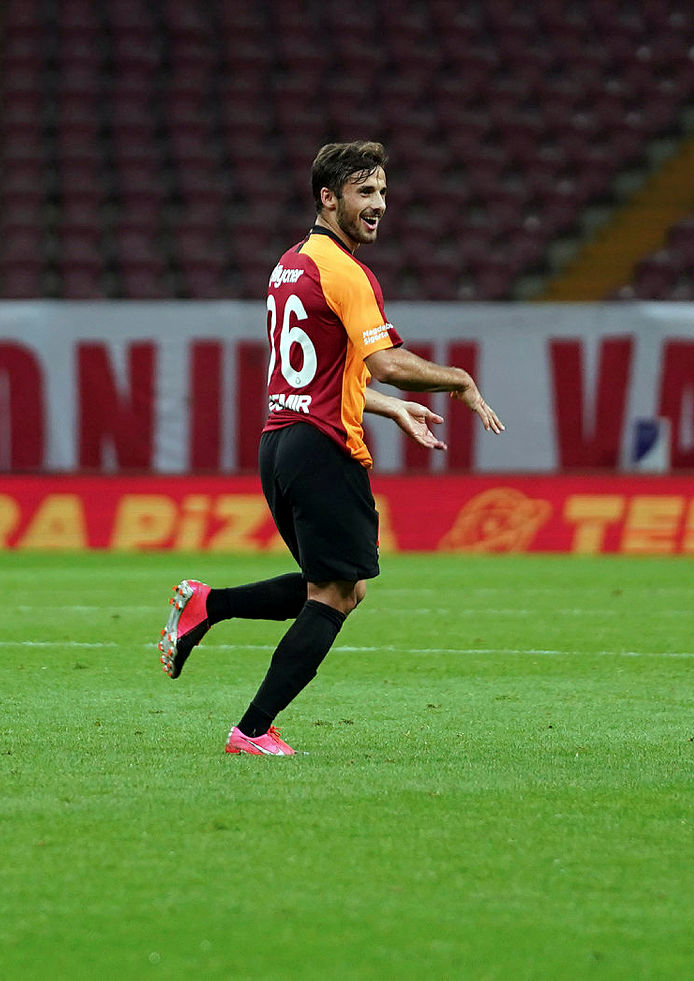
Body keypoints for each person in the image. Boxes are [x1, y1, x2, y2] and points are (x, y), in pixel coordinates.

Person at [157, 140, 505, 756]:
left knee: (339, 586)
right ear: (328, 197)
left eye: (383, 192)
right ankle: (252, 730)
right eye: (364, 192)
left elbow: (317, 375)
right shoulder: (346, 271)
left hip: (280, 444)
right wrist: (459, 380)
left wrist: (389, 407)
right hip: (322, 448)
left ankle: (206, 605)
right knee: (336, 594)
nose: (379, 205)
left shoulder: (290, 264)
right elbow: (388, 362)